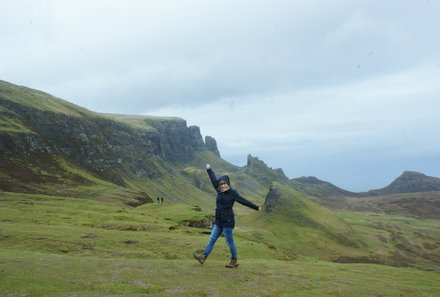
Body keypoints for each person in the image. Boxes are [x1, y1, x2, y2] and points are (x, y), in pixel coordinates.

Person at [193, 163, 260, 268]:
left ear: (228, 184)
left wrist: (256, 207)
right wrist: (209, 169)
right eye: (221, 184)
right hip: (219, 221)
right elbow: (213, 180)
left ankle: (234, 261)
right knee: (212, 239)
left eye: (225, 184)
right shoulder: (219, 190)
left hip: (228, 222)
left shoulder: (232, 193)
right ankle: (203, 257)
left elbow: (243, 201)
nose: (223, 185)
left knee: (229, 242)